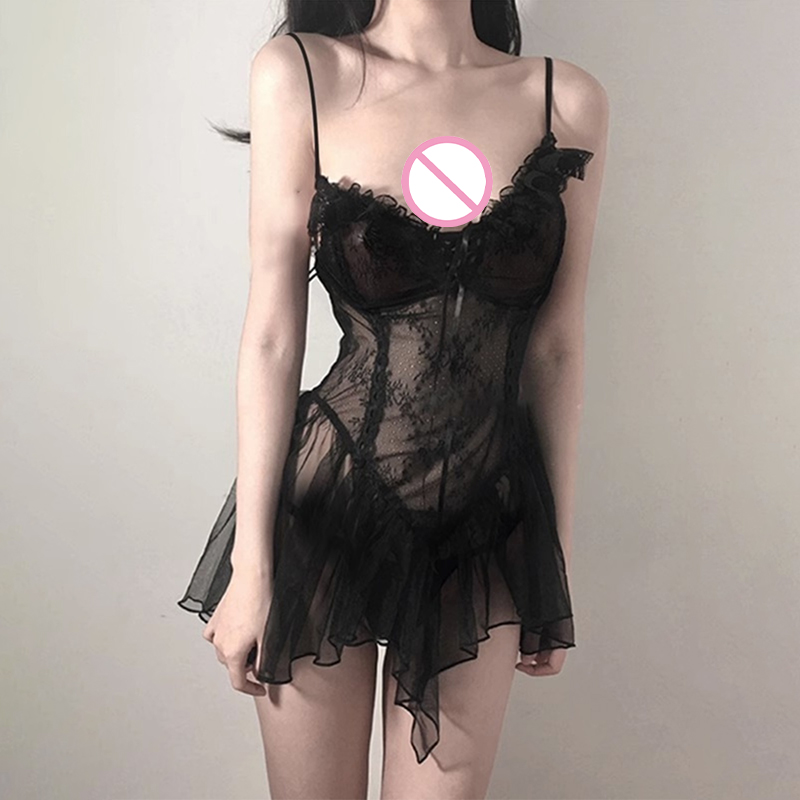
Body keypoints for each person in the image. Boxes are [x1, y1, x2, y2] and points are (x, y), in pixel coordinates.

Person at [177, 1, 608, 797]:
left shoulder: (565, 99)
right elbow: (272, 336)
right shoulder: (302, 76)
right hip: (327, 507)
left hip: (485, 524)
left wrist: (554, 558)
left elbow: (556, 347)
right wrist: (251, 564)